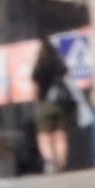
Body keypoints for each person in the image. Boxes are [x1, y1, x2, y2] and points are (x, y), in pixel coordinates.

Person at [31, 40, 73, 174]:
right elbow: (67, 78)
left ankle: (50, 162)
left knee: (44, 135)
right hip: (61, 104)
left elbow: (35, 88)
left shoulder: (39, 67)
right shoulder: (60, 66)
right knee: (60, 135)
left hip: (45, 104)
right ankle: (61, 162)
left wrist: (36, 101)